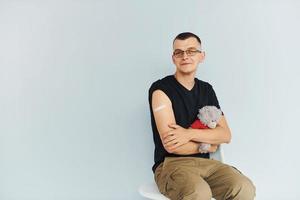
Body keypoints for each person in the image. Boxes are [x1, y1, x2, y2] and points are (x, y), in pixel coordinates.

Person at [148, 32, 256, 200]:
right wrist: (208, 145)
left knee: (243, 187)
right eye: (179, 52)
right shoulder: (160, 90)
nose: (185, 56)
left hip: (207, 165)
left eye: (191, 51)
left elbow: (225, 135)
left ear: (201, 56)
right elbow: (172, 146)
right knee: (199, 193)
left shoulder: (206, 90)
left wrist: (189, 134)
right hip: (171, 165)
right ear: (173, 58)